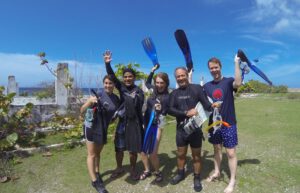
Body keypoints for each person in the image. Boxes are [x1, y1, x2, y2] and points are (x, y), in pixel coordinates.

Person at [168, 67, 218, 192]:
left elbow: (206, 104)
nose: (180, 78)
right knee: (181, 154)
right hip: (181, 131)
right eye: (178, 76)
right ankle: (180, 173)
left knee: (196, 156)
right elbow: (170, 109)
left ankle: (197, 178)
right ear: (176, 78)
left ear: (186, 75)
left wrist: (213, 106)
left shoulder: (197, 88)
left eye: (182, 75)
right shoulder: (174, 93)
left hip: (195, 130)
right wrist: (186, 112)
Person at [103, 50, 144, 181]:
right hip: (122, 122)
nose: (127, 78)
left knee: (132, 150)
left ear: (134, 78)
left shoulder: (139, 91)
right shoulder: (122, 87)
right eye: (125, 76)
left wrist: (133, 98)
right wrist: (107, 63)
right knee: (119, 148)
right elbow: (111, 76)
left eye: (130, 76)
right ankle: (119, 167)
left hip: (134, 123)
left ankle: (132, 169)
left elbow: (139, 104)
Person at [204, 56, 242, 193]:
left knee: (230, 153)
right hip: (214, 124)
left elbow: (238, 83)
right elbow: (198, 97)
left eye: (216, 67)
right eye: (211, 68)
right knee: (216, 149)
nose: (214, 70)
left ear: (220, 67)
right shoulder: (207, 86)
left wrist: (236, 63)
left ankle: (232, 180)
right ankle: (217, 172)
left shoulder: (228, 81)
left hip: (228, 122)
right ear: (209, 70)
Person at [80, 75, 120, 193]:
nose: (108, 85)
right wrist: (89, 103)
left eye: (110, 83)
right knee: (92, 154)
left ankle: (97, 173)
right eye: (106, 83)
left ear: (114, 85)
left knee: (98, 153)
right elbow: (82, 110)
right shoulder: (97, 95)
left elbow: (113, 115)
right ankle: (95, 181)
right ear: (103, 84)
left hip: (103, 128)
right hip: (91, 126)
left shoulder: (116, 99)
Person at [139, 65, 170, 182]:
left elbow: (168, 111)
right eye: (157, 82)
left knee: (152, 153)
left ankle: (158, 172)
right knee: (142, 151)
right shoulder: (153, 89)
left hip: (157, 125)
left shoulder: (168, 97)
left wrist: (161, 109)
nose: (159, 85)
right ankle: (147, 170)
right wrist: (152, 71)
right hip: (146, 123)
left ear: (166, 83)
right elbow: (147, 83)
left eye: (162, 83)